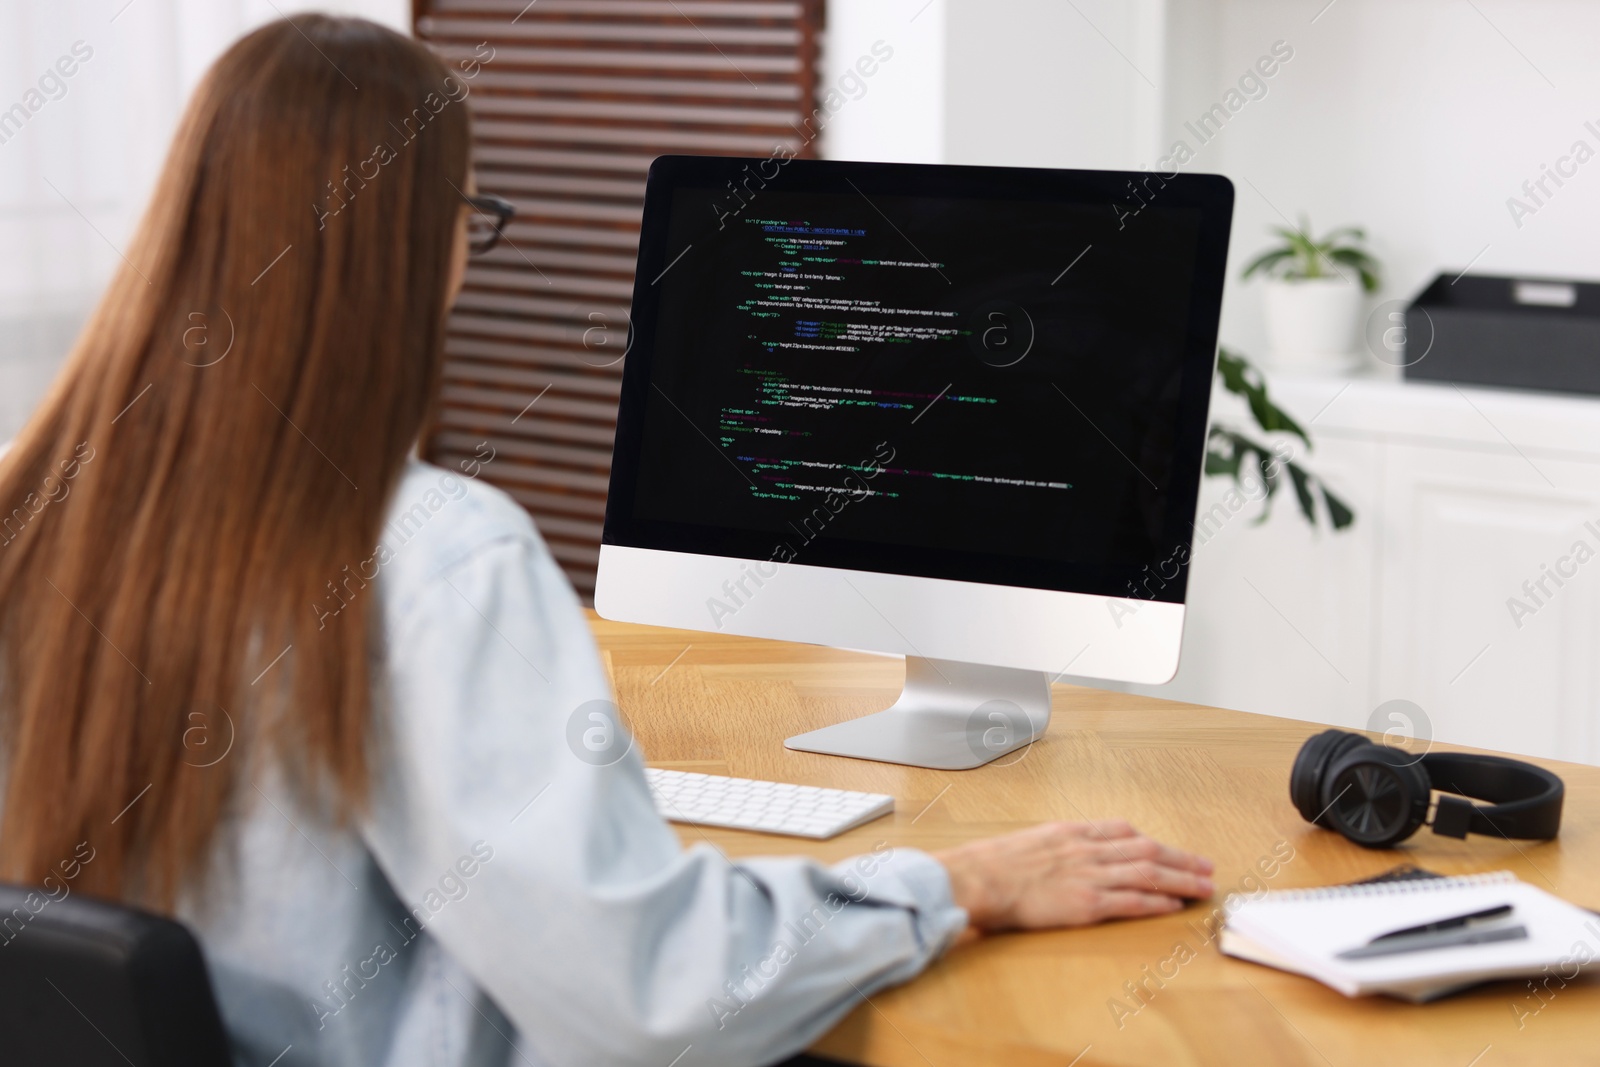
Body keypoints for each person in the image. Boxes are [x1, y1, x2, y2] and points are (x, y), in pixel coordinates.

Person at [0, 16, 1213, 1067]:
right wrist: (957, 883)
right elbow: (648, 989)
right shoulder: (426, 556)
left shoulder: (40, 507)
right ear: (425, 245)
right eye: (472, 214)